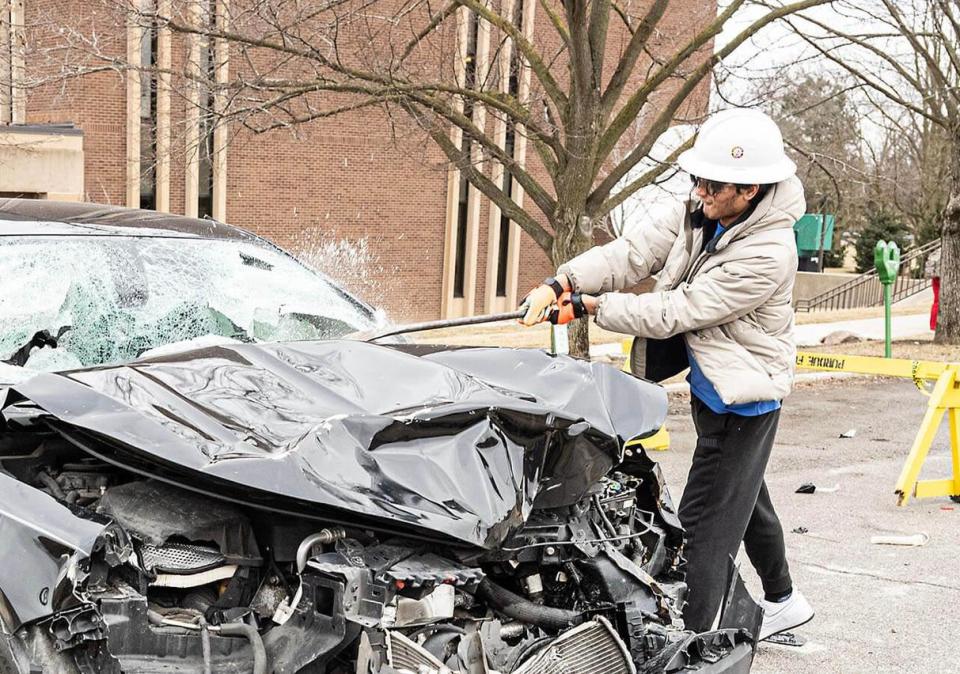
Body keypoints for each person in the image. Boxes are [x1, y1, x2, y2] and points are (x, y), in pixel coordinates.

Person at [519, 108, 814, 640]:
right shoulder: (697, 212)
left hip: (742, 402)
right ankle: (784, 600)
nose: (698, 188)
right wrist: (558, 281)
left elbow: (677, 311)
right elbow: (631, 254)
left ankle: (690, 635)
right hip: (711, 380)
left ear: (748, 190)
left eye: (711, 182)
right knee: (747, 499)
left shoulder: (770, 251)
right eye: (695, 177)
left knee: (702, 526)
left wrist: (589, 308)